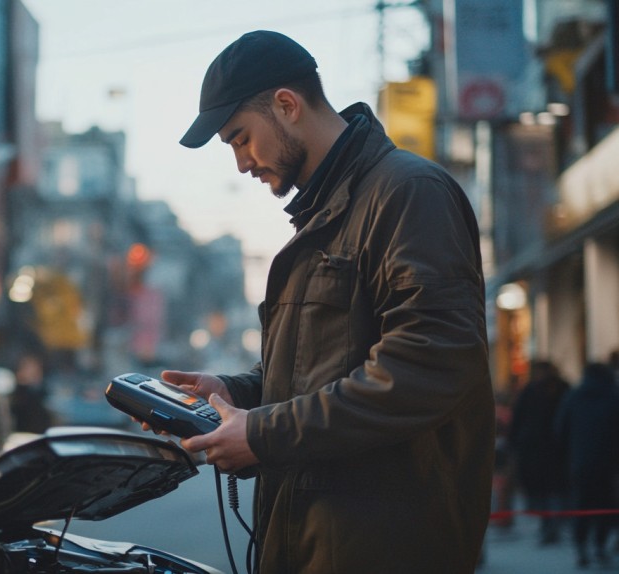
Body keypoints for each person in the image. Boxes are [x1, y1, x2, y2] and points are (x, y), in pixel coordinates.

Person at [148, 30, 496, 572]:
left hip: (383, 550)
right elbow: (323, 371)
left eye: (240, 139)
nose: (241, 164)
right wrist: (235, 392)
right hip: (313, 544)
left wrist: (263, 433)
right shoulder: (324, 218)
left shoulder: (408, 193)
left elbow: (428, 367)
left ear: (286, 105)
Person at [554, 362, 619, 568]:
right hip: (609, 464)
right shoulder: (614, 396)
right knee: (605, 505)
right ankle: (600, 545)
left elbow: (560, 429)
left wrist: (567, 456)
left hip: (580, 461)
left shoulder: (574, 396)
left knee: (581, 504)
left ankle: (581, 546)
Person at [508, 360, 570, 544]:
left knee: (543, 490)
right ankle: (553, 526)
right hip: (557, 451)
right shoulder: (564, 389)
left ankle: (549, 526)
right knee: (555, 489)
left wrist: (515, 442)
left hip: (536, 451)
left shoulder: (531, 390)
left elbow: (518, 419)